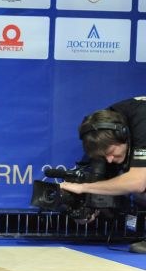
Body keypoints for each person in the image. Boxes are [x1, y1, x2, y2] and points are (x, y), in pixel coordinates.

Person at [60, 96, 146, 253]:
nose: (110, 159)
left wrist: (85, 188)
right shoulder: (103, 128)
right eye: (104, 156)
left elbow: (137, 182)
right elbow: (101, 181)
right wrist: (87, 208)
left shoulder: (142, 122)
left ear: (123, 134)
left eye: (111, 152)